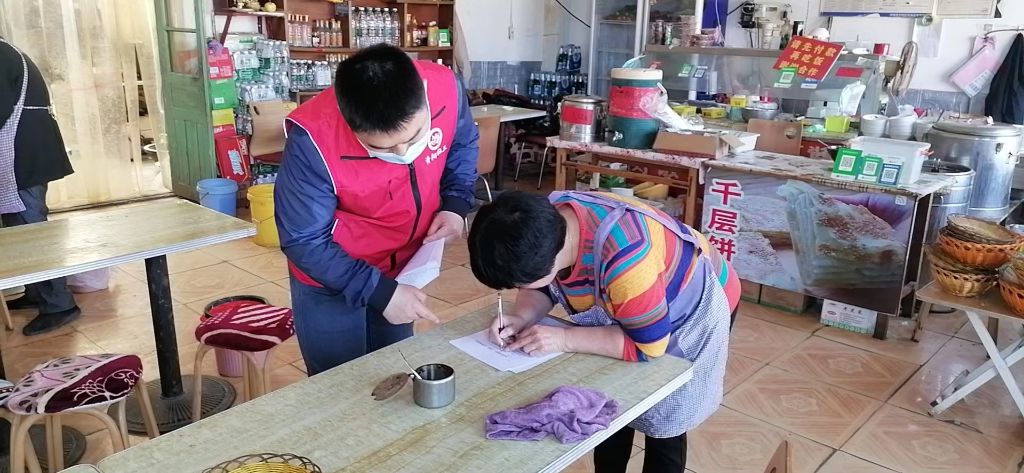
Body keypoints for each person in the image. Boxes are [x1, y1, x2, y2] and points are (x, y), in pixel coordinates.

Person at [468, 191, 740, 473]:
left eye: (519, 284)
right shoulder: (544, 224)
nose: (519, 289)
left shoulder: (627, 260)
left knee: (665, 414)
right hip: (636, 297)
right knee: (608, 404)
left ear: (544, 263)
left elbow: (649, 346)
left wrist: (564, 339)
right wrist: (522, 316)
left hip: (695, 305)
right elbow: (544, 285)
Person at [275, 44, 479, 376]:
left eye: (415, 136)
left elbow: (462, 142)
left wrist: (455, 204)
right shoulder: (313, 141)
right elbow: (304, 240)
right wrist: (379, 292)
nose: (403, 152)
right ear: (349, 123)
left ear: (424, 99)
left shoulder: (446, 87)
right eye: (381, 147)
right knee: (338, 382)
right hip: (332, 275)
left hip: (404, 269)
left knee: (393, 372)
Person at [0, 37, 79, 336]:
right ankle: (36, 292)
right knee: (19, 228)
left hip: (25, 152)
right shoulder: (6, 50)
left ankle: (59, 304)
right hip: (25, 149)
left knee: (31, 229)